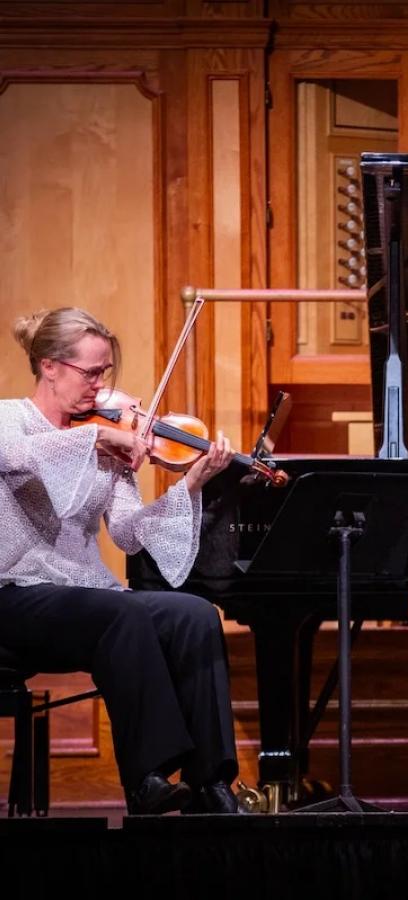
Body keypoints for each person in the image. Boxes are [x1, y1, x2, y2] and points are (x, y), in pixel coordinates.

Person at [0, 307, 242, 815]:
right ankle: (146, 779)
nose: (100, 385)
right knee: (123, 612)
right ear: (49, 366)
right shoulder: (9, 419)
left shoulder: (105, 437)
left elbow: (129, 535)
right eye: (90, 372)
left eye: (105, 372)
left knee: (192, 614)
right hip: (13, 596)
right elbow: (16, 455)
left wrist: (190, 483)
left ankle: (212, 784)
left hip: (83, 599)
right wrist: (97, 438)